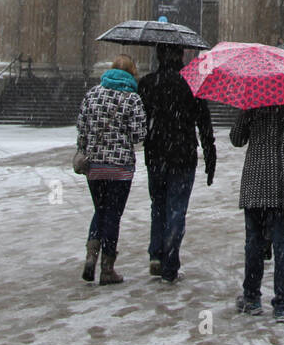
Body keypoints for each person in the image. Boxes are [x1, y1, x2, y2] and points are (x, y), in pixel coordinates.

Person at [232, 100, 284, 322]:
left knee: (254, 241)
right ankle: (282, 305)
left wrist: (246, 112)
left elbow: (237, 138)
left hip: (257, 178)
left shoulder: (254, 99)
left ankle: (251, 298)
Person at [137, 44, 214, 284]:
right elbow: (204, 124)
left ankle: (156, 255)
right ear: (182, 56)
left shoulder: (148, 83)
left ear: (157, 55)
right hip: (183, 154)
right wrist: (210, 157)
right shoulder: (192, 83)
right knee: (177, 209)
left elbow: (139, 122)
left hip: (156, 154)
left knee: (158, 206)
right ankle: (170, 260)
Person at [76, 55, 148, 285]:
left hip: (95, 166)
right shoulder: (132, 98)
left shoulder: (93, 94)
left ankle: (90, 257)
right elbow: (139, 135)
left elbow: (82, 128)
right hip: (120, 168)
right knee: (113, 215)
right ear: (132, 73)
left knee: (100, 210)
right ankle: (107, 267)